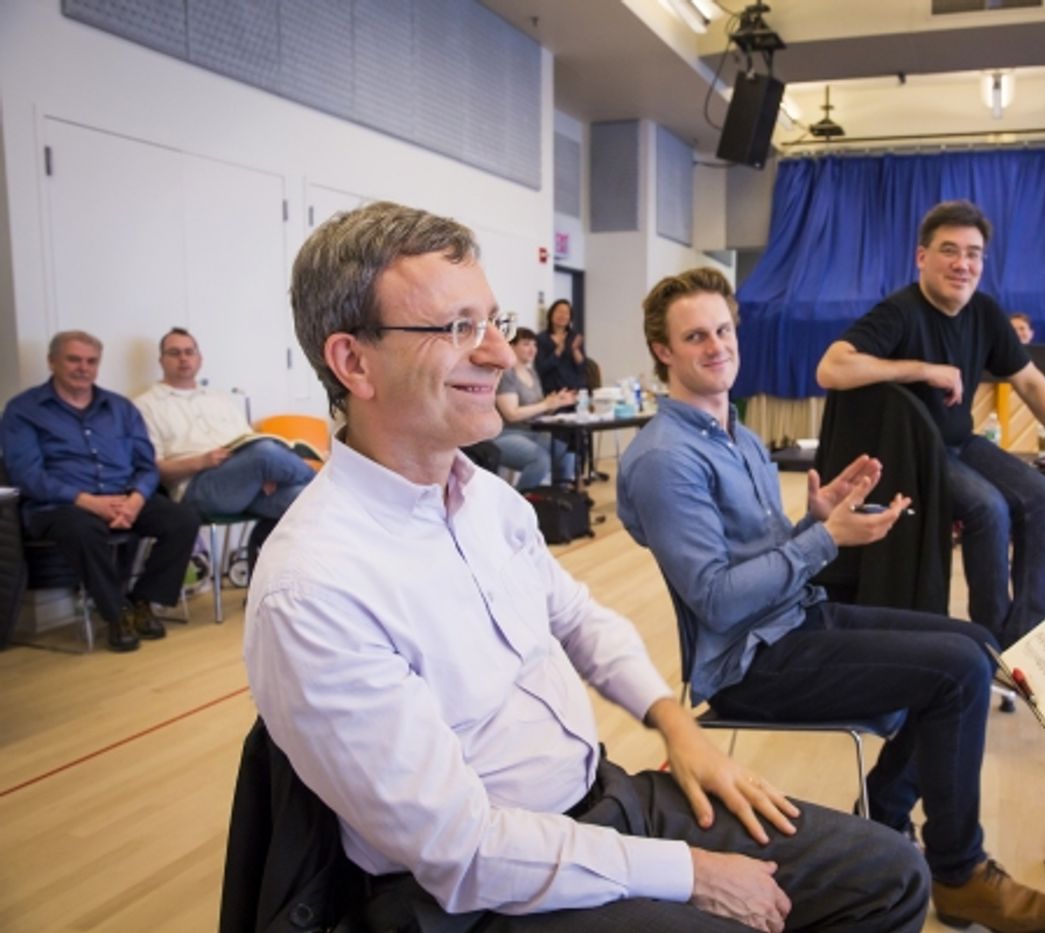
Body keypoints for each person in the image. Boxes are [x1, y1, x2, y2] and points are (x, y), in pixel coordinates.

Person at [246, 200, 930, 932]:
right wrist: (690, 872)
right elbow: (464, 850)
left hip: (601, 799)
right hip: (480, 895)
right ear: (353, 362)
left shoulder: (487, 501)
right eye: (457, 329)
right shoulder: (314, 586)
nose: (501, 356)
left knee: (890, 876)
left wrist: (677, 725)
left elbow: (576, 617)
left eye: (493, 322)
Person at [618, 267, 1045, 933]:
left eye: (723, 329)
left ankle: (885, 831)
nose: (716, 345)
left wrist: (815, 519)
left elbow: (762, 557)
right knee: (957, 672)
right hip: (754, 662)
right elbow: (718, 600)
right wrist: (824, 540)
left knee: (973, 644)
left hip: (794, 617)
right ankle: (958, 872)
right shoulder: (666, 459)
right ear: (663, 351)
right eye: (696, 336)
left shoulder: (737, 435)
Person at [817, 200, 1045, 646]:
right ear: (922, 257)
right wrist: (921, 368)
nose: (963, 264)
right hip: (919, 454)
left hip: (962, 443)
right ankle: (989, 642)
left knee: (1044, 500)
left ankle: (1029, 637)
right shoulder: (899, 311)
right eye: (949, 251)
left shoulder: (985, 312)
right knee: (989, 510)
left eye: (973, 253)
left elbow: (1031, 383)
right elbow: (831, 369)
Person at [2, 331, 201, 651]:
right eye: (74, 359)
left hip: (123, 498)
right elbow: (27, 475)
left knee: (183, 519)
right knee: (83, 529)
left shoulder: (119, 407)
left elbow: (146, 465)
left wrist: (136, 499)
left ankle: (143, 602)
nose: (83, 367)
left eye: (91, 361)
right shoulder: (24, 410)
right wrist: (88, 502)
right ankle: (116, 613)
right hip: (60, 505)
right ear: (52, 362)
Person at [133, 327, 315, 565]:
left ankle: (266, 590)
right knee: (268, 454)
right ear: (162, 360)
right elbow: (153, 469)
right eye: (175, 353)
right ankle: (327, 484)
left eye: (189, 352)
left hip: (247, 482)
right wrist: (200, 461)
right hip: (199, 488)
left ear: (199, 359)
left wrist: (269, 473)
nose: (183, 358)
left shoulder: (219, 398)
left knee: (307, 501)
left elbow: (249, 442)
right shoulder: (145, 406)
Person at [494, 327, 577, 488]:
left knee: (566, 451)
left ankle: (560, 501)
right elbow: (511, 414)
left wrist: (556, 402)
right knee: (539, 459)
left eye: (534, 345)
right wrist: (545, 404)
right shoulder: (506, 374)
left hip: (532, 432)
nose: (532, 349)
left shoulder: (531, 373)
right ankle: (518, 505)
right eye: (526, 344)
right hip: (506, 434)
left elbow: (538, 409)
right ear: (511, 346)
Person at [536, 298, 588, 395]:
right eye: (559, 311)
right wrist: (558, 351)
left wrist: (575, 350)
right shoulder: (541, 339)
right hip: (552, 390)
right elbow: (540, 368)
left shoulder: (575, 337)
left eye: (566, 313)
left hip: (575, 389)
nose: (562, 315)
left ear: (570, 318)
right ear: (551, 314)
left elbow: (582, 367)